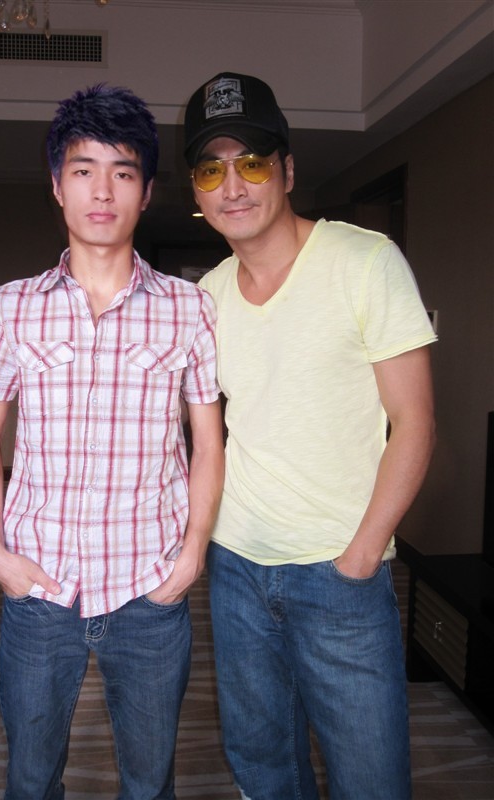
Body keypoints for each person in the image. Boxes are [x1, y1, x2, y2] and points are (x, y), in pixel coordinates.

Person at [0, 84, 224, 800]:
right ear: (57, 185)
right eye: (83, 170)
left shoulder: (190, 309)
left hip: (149, 588)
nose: (102, 190)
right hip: (40, 587)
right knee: (30, 778)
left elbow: (208, 441)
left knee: (150, 783)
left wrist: (193, 551)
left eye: (123, 172)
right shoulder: (10, 307)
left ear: (146, 191)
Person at [183, 72, 437, 800]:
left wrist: (360, 556)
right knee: (262, 768)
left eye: (252, 162)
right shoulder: (207, 297)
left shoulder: (365, 261)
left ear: (288, 171)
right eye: (211, 170)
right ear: (197, 192)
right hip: (236, 567)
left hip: (338, 571)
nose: (233, 186)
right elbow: (207, 434)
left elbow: (415, 424)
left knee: (370, 779)